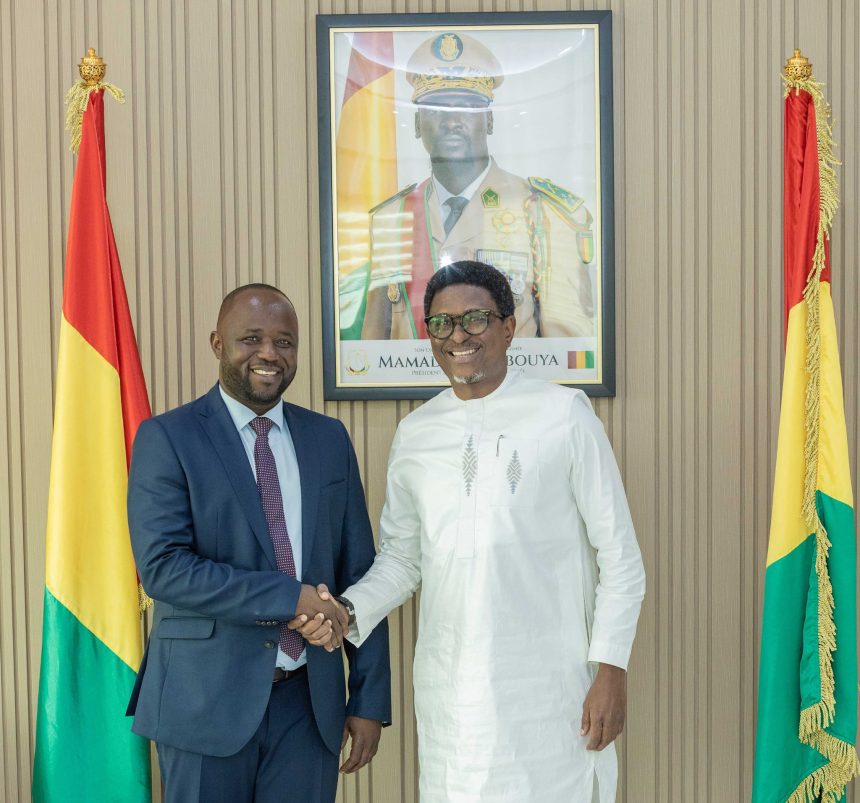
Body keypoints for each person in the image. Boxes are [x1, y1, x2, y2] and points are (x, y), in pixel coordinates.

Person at [298, 262, 645, 802]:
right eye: (441, 323)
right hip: (453, 694)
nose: (458, 335)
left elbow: (620, 557)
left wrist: (612, 668)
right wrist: (346, 611)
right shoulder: (416, 434)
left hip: (552, 690)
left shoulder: (565, 416)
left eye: (475, 319)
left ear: (508, 327)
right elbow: (402, 559)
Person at [126, 284, 391, 803]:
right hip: (203, 702)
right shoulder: (168, 437)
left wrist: (368, 698)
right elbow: (164, 568)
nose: (269, 353)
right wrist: (291, 597)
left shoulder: (329, 439)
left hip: (308, 707)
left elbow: (359, 572)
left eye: (284, 342)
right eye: (251, 339)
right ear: (217, 343)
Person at [358, 32, 596, 341]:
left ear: (490, 121)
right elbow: (372, 351)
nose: (452, 121)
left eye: (468, 108)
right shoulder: (393, 218)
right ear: (417, 124)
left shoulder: (541, 214)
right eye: (436, 110)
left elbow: (569, 350)